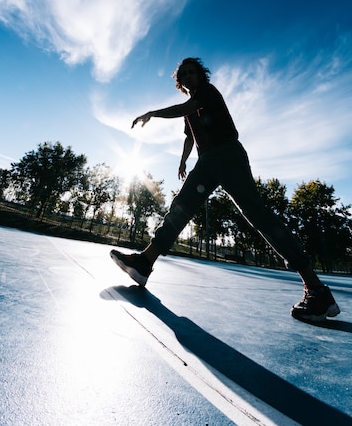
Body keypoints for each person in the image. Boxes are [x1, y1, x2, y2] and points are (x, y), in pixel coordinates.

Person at [110, 57, 340, 322]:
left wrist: (153, 113)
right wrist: (184, 160)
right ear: (179, 81)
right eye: (182, 74)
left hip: (228, 154)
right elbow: (189, 135)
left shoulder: (206, 92)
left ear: (200, 75)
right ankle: (145, 262)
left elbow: (190, 106)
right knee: (181, 207)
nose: (187, 77)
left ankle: (316, 289)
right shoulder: (191, 107)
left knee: (258, 215)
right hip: (207, 160)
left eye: (191, 72)